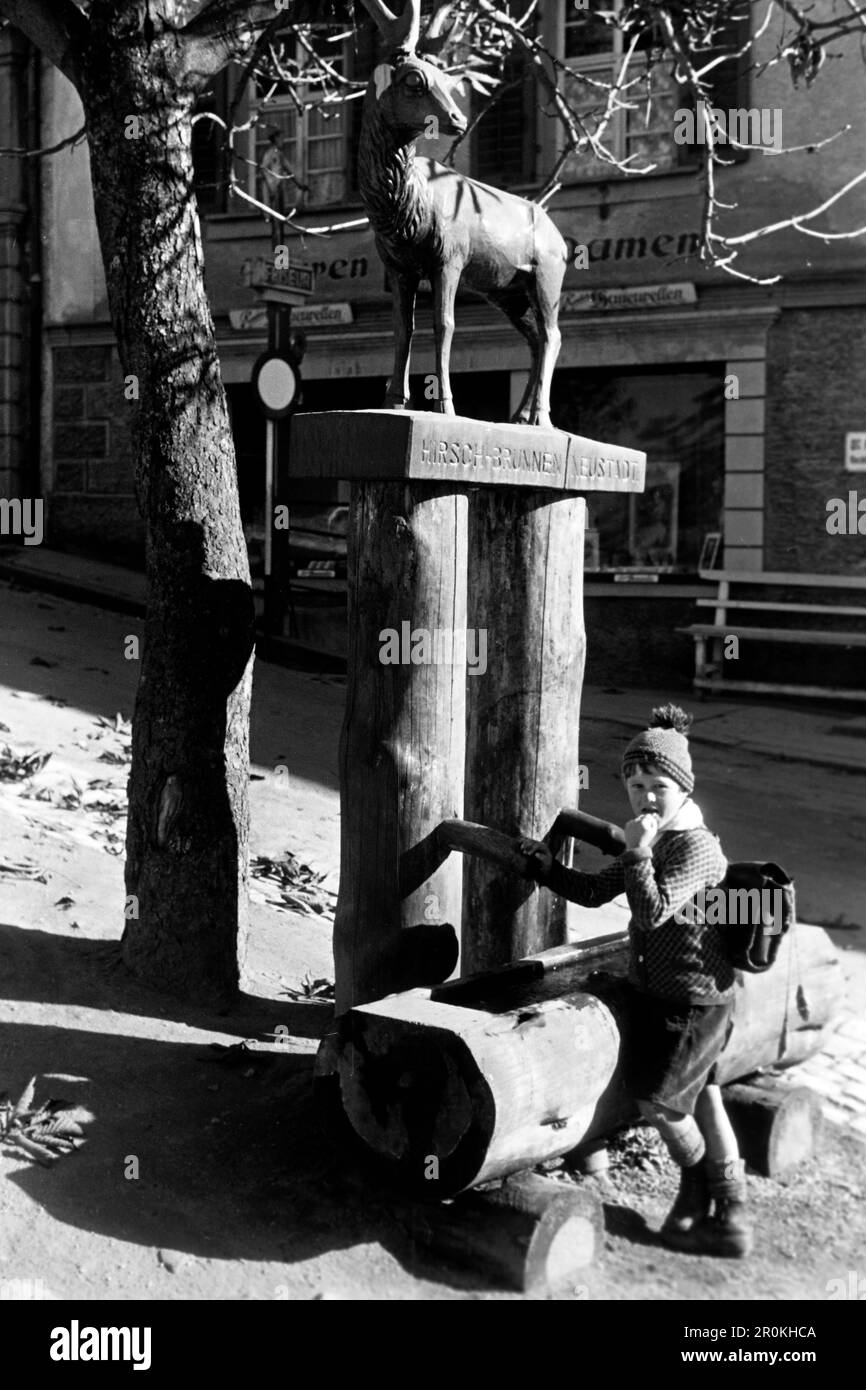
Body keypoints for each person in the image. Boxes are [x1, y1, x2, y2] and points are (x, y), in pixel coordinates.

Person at [518, 704, 752, 1258]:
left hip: (695, 1001)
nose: (646, 797)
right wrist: (545, 869)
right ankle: (733, 1211)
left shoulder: (694, 847)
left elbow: (651, 912)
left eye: (659, 786)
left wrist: (637, 850)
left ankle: (696, 1186)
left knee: (661, 1107)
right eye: (636, 783)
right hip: (665, 993)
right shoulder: (659, 836)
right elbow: (600, 892)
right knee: (706, 1098)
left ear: (683, 789)